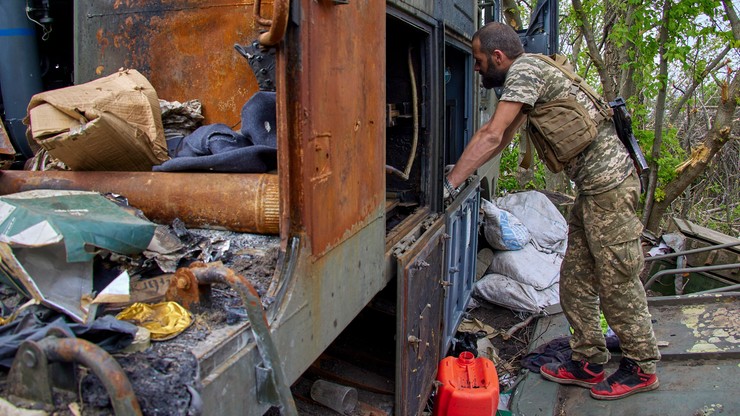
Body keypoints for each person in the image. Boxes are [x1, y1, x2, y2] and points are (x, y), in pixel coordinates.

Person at [445, 22, 660, 400]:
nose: (476, 69)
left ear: (498, 57)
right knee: (575, 277)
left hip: (610, 189)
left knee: (616, 280)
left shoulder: (525, 70)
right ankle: (588, 359)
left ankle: (641, 366)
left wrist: (448, 186)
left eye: (479, 62)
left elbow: (492, 134)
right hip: (592, 192)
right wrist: (462, 170)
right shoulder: (528, 78)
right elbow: (503, 138)